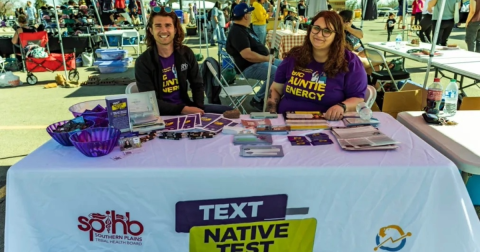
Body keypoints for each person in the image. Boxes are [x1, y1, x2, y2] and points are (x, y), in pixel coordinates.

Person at [266, 11, 367, 121]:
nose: (319, 35)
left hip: (325, 125)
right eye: (316, 28)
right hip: (285, 123)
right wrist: (272, 116)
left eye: (327, 31)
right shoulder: (294, 56)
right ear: (310, 29)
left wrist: (342, 106)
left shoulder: (350, 62)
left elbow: (358, 98)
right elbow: (275, 89)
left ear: (336, 36)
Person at [135, 6, 232, 115]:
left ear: (175, 30)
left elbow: (197, 85)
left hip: (187, 108)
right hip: (160, 114)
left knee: (231, 111)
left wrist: (198, 108)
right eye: (158, 26)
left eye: (168, 25)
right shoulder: (143, 62)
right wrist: (183, 110)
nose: (163, 30)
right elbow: (150, 101)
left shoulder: (186, 53)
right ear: (151, 30)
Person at [226, 2, 283, 111]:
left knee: (286, 66)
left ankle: (279, 95)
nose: (251, 15)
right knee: (275, 72)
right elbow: (247, 55)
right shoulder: (237, 32)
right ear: (245, 16)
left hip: (260, 61)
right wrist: (266, 58)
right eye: (250, 13)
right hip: (250, 66)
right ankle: (258, 99)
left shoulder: (245, 28)